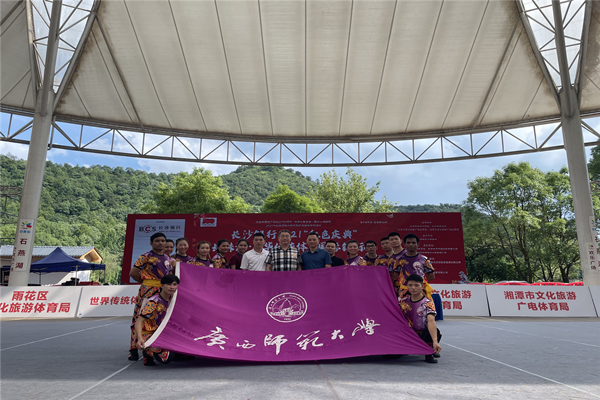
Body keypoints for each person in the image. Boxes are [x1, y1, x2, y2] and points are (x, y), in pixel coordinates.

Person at [128, 232, 173, 361]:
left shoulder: (168, 258)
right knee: (140, 317)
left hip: (163, 291)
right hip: (147, 291)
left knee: (159, 318)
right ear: (151, 243)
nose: (160, 243)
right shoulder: (145, 256)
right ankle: (133, 348)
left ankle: (151, 347)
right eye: (157, 241)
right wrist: (146, 283)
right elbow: (133, 273)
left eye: (163, 241)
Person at [135, 274, 180, 366]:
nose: (172, 287)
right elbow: (139, 322)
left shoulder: (173, 300)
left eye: (174, 284)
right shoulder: (153, 302)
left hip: (163, 334)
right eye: (168, 284)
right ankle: (147, 352)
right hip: (150, 335)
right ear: (162, 285)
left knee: (184, 353)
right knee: (167, 357)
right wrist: (140, 338)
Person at [399, 274, 442, 363]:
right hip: (407, 334)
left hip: (422, 334)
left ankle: (429, 352)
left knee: (434, 332)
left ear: (422, 287)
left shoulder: (428, 303)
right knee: (390, 356)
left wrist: (435, 341)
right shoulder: (403, 302)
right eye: (410, 285)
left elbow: (431, 322)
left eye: (416, 285)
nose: (413, 288)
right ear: (407, 287)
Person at [397, 233, 435, 299]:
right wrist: (404, 283)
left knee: (420, 305)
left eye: (413, 243)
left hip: (420, 291)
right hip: (404, 290)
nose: (411, 244)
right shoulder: (399, 259)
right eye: (408, 243)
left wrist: (419, 284)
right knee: (405, 305)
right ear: (404, 244)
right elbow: (395, 274)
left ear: (418, 244)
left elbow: (431, 275)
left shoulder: (424, 259)